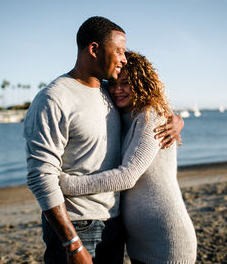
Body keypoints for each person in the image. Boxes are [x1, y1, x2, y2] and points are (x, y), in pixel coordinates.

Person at [23, 17, 184, 264]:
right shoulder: (54, 98)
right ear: (94, 49)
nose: (124, 58)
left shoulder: (109, 91)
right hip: (77, 225)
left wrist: (176, 119)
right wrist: (72, 243)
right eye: (119, 51)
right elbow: (40, 176)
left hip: (114, 223)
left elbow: (149, 104)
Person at [60, 51, 197, 264]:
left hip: (166, 237)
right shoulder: (122, 114)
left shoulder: (153, 116)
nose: (117, 89)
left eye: (126, 83)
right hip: (137, 241)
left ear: (141, 82)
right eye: (114, 83)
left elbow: (127, 177)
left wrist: (66, 184)